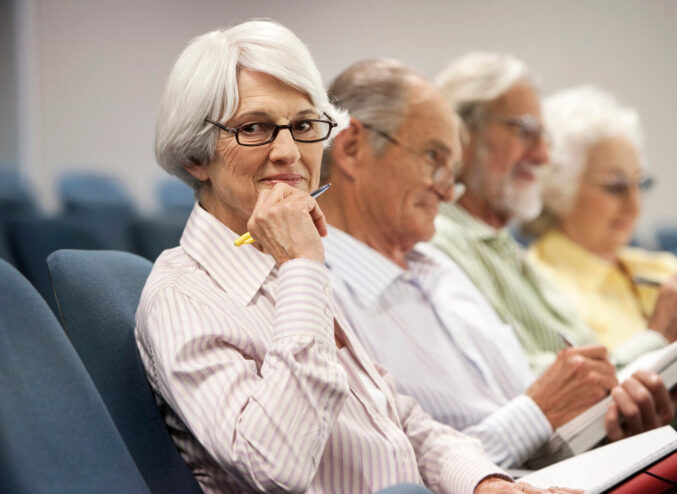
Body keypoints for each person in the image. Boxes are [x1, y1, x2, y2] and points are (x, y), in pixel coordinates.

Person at [135, 20, 556, 494]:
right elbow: (276, 466)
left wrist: (485, 483)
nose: (289, 152)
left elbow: (400, 419)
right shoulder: (183, 295)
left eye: (304, 125)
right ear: (196, 154)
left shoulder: (281, 266)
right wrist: (302, 269)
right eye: (254, 127)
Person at [318, 58, 677, 470]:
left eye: (452, 168)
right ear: (353, 148)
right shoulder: (319, 296)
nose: (448, 193)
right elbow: (399, 472)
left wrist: (612, 423)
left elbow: (542, 417)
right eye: (433, 157)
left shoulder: (435, 266)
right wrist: (539, 413)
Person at [431, 52, 677, 382]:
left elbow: (607, 395)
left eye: (640, 184)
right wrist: (660, 339)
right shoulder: (441, 243)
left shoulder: (503, 249)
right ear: (461, 133)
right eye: (525, 129)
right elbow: (536, 391)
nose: (543, 155)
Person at [527, 85, 677, 388]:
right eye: (615, 186)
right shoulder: (540, 285)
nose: (635, 205)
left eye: (642, 184)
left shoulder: (665, 269)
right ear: (559, 187)